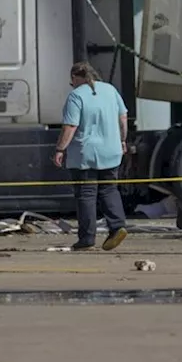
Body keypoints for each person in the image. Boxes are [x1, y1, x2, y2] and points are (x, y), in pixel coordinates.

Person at [53, 62, 129, 252]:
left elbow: (70, 126)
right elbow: (123, 118)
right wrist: (122, 140)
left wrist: (60, 149)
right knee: (109, 190)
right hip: (111, 150)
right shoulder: (110, 90)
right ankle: (117, 226)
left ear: (74, 78)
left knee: (86, 195)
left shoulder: (76, 96)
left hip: (85, 155)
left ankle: (87, 238)